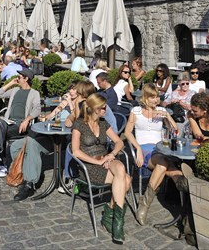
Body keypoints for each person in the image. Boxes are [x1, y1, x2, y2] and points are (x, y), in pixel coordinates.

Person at [124, 83, 187, 226]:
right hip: (144, 149)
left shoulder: (161, 110)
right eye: (152, 97)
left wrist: (167, 116)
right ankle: (181, 181)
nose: (156, 100)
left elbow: (175, 131)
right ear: (145, 98)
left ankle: (144, 204)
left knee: (163, 164)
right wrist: (138, 149)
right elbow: (127, 132)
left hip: (160, 149)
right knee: (165, 163)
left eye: (157, 97)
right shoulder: (136, 111)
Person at [72, 93, 131, 244]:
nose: (106, 109)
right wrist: (96, 162)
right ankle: (112, 219)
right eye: (103, 107)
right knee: (126, 180)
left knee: (121, 168)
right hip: (89, 166)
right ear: (94, 109)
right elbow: (76, 151)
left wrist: (111, 155)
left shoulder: (104, 123)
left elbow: (119, 142)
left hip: (106, 160)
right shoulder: (79, 124)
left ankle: (115, 220)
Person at [0, 67, 41, 178]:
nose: (17, 79)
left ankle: (1, 164)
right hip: (9, 122)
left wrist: (27, 120)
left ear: (26, 79)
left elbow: (37, 109)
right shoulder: (15, 90)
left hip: (21, 125)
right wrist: (11, 84)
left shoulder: (34, 93)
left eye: (19, 77)